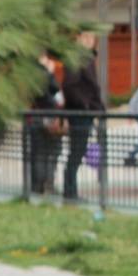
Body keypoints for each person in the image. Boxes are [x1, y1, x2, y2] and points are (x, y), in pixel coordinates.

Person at [60, 32, 105, 200]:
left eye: (91, 38)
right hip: (79, 113)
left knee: (78, 152)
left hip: (86, 111)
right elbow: (69, 86)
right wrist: (85, 105)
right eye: (84, 38)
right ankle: (69, 190)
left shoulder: (87, 59)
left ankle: (71, 190)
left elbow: (92, 88)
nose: (87, 41)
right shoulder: (76, 60)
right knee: (76, 152)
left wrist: (97, 108)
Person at [27, 52, 62, 194]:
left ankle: (37, 186)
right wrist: (50, 72)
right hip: (47, 115)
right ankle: (47, 184)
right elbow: (54, 90)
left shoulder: (27, 73)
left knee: (38, 152)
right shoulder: (44, 73)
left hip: (34, 116)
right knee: (51, 151)